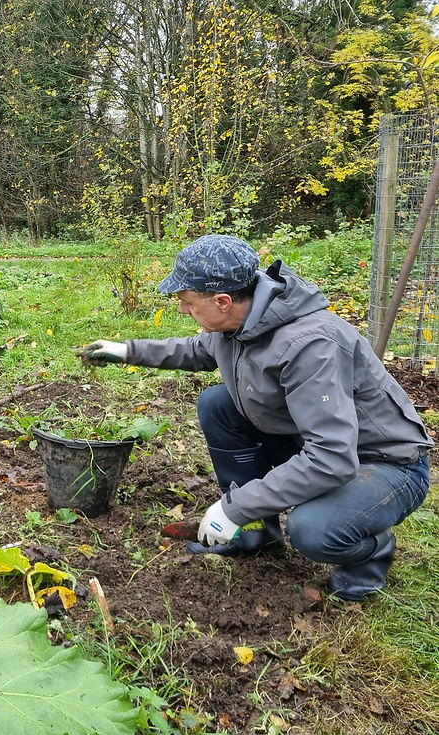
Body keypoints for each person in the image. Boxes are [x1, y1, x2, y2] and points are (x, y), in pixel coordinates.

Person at [81, 234, 433, 601]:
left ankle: (369, 552)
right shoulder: (241, 322)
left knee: (312, 529)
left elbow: (332, 458)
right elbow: (195, 350)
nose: (183, 310)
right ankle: (255, 532)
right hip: (314, 443)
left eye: (187, 302)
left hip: (386, 463)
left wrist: (235, 506)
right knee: (219, 404)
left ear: (222, 301)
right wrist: (126, 351)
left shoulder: (309, 345)